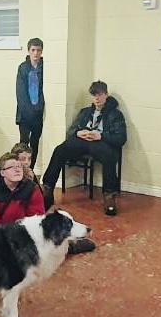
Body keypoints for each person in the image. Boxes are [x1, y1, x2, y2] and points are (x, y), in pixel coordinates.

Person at [41, 80, 127, 216]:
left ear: (106, 95)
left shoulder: (115, 114)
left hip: (101, 142)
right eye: (94, 95)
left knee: (109, 156)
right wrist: (77, 132)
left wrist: (101, 136)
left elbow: (121, 138)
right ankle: (48, 188)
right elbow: (71, 131)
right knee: (59, 150)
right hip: (83, 140)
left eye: (99, 95)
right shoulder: (85, 112)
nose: (97, 98)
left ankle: (109, 196)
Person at [0, 152, 45, 224]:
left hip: (23, 231)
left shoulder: (32, 188)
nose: (17, 170)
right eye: (12, 167)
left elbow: (36, 218)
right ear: (2, 172)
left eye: (19, 166)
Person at [15, 37, 45, 162]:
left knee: (35, 143)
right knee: (23, 143)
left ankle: (30, 169)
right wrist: (28, 111)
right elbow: (20, 92)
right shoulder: (23, 68)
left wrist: (38, 109)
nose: (36, 53)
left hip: (38, 112)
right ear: (28, 51)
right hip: (25, 113)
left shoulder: (45, 67)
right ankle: (21, 169)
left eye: (38, 50)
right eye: (33, 50)